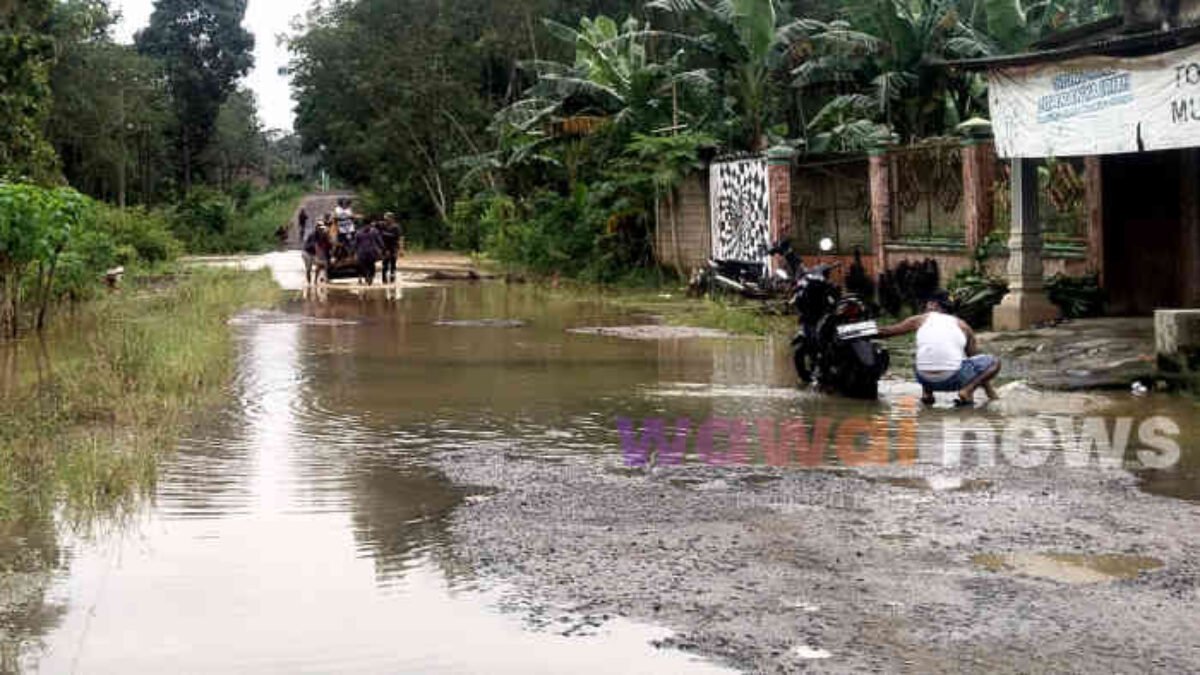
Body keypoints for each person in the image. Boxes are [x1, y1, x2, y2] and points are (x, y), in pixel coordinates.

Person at [877, 290, 1001, 407]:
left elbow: (887, 332)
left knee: (923, 354)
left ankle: (927, 395)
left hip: (924, 378)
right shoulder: (963, 325)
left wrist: (862, 331)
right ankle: (967, 391)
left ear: (932, 304)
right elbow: (975, 361)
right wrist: (990, 393)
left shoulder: (919, 319)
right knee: (994, 362)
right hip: (954, 380)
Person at [354, 221, 385, 286]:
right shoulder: (358, 233)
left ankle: (371, 277)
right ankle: (367, 277)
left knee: (371, 265)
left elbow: (379, 241)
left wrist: (382, 248)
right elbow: (355, 243)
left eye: (368, 226)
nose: (367, 227)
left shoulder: (374, 232)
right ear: (363, 226)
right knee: (363, 266)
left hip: (372, 252)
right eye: (366, 226)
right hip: (362, 253)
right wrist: (354, 252)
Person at [378, 212, 402, 284]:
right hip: (385, 247)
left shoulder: (396, 227)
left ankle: (392, 279)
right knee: (385, 264)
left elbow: (397, 236)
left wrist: (384, 233)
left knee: (393, 264)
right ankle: (384, 279)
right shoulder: (383, 225)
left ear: (392, 218)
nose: (386, 220)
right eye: (385, 219)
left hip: (393, 247)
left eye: (387, 219)